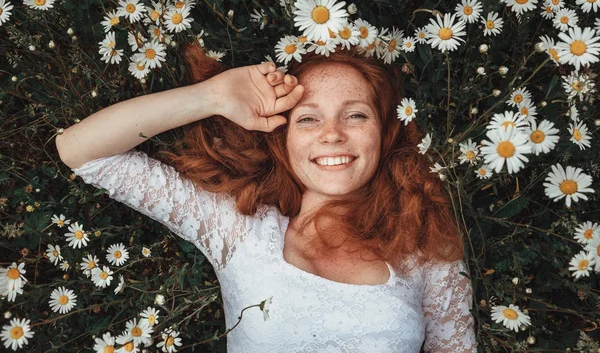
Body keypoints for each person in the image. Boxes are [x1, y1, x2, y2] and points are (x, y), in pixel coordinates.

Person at [55, 43, 478, 352]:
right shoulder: (239, 230)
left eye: (355, 115)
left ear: (385, 135)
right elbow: (82, 150)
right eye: (309, 118)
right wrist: (215, 96)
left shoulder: (427, 249)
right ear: (284, 139)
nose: (332, 133)